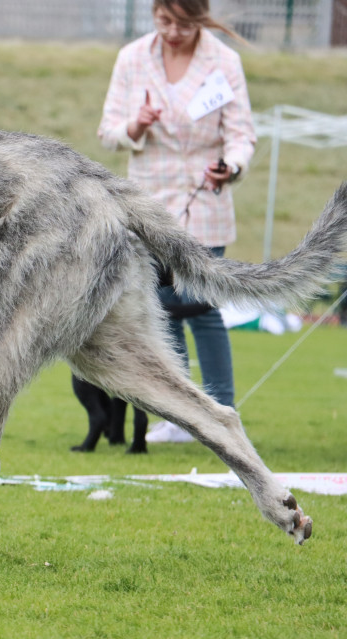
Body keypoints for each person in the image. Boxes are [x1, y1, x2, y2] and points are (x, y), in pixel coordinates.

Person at [97, 0, 255, 443]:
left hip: (204, 200)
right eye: (163, 20)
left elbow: (242, 133)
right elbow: (108, 131)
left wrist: (232, 164)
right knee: (161, 310)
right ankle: (181, 413)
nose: (171, 31)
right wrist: (136, 124)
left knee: (202, 310)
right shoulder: (132, 58)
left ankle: (221, 406)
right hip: (148, 204)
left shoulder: (224, 62)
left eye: (182, 24)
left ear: (199, 19)